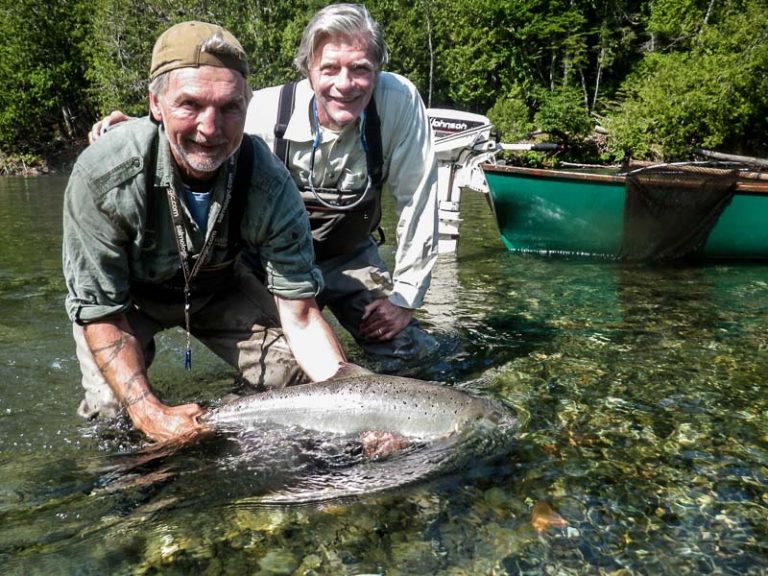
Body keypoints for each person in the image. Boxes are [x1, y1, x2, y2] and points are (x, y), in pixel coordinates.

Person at [92, 4, 440, 371]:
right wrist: (138, 126)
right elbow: (196, 128)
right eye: (329, 69)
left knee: (409, 352)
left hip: (350, 256)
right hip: (270, 263)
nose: (344, 84)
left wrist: (404, 299)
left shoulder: (398, 101)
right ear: (308, 69)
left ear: (377, 71)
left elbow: (419, 199)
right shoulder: (266, 111)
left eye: (360, 69)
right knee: (280, 366)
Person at [64, 21, 346, 443]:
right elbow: (102, 311)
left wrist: (353, 403)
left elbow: (301, 314)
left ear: (247, 108)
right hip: (127, 306)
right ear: (156, 105)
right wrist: (149, 412)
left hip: (218, 290)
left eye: (229, 107)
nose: (210, 129)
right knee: (115, 416)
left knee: (301, 380)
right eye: (190, 105)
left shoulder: (269, 183)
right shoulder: (102, 176)